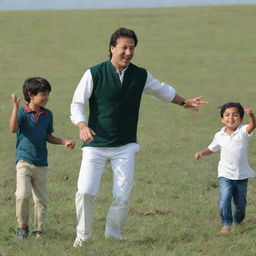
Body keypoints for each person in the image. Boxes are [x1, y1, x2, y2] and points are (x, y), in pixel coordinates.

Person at [70, 27, 207, 247]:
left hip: (125, 146)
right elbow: (77, 103)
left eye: (132, 48)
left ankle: (112, 238)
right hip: (95, 145)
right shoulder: (94, 73)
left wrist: (184, 102)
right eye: (124, 47)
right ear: (112, 48)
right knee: (85, 191)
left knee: (122, 197)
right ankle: (83, 237)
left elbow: (161, 90)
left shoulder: (139, 74)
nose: (128, 52)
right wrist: (82, 125)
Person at [9, 77, 75, 240]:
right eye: (43, 94)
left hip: (41, 163)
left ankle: (38, 229)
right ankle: (22, 227)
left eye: (47, 95)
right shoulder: (23, 112)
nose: (46, 98)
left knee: (41, 199)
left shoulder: (48, 115)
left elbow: (48, 136)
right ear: (31, 95)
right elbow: (12, 129)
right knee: (22, 195)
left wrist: (63, 141)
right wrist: (15, 108)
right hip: (24, 160)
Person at [195, 102, 256, 233]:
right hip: (225, 174)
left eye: (235, 115)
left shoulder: (243, 132)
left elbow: (253, 126)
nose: (231, 118)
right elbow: (211, 149)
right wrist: (201, 152)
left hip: (241, 175)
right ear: (222, 119)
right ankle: (226, 223)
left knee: (241, 204)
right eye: (227, 115)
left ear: (240, 118)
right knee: (224, 199)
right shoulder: (219, 135)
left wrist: (252, 115)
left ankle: (239, 221)